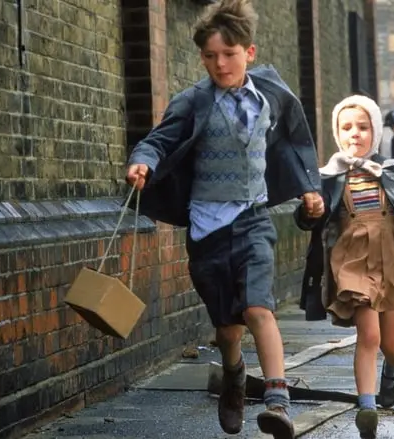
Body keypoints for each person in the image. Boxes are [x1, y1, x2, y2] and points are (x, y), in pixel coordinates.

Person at [124, 1, 324, 437]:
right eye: (210, 56)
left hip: (253, 218)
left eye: (229, 54)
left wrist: (309, 188)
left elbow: (289, 145)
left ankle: (277, 402)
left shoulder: (270, 95)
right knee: (228, 329)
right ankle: (234, 374)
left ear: (249, 52)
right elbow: (158, 141)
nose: (220, 64)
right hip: (207, 228)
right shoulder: (193, 101)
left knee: (258, 308)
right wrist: (143, 162)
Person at [295, 95, 394, 439]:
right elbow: (307, 218)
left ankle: (393, 367)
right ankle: (366, 407)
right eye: (347, 127)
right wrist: (309, 210)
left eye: (362, 127)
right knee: (369, 335)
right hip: (353, 262)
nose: (355, 134)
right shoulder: (328, 177)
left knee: (391, 343)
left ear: (375, 131)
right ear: (337, 133)